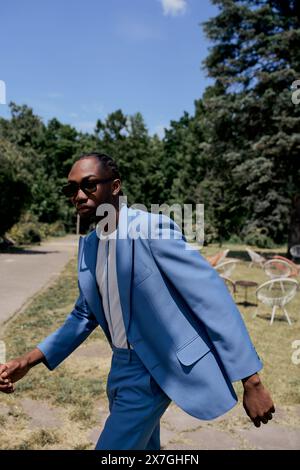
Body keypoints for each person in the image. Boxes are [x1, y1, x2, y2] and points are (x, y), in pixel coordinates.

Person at [0, 153, 275, 450]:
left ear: (115, 186)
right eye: (71, 190)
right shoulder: (90, 245)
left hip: (157, 367)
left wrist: (251, 380)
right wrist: (28, 360)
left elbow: (211, 298)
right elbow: (83, 315)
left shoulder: (151, 229)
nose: (79, 196)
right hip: (120, 366)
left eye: (89, 185)